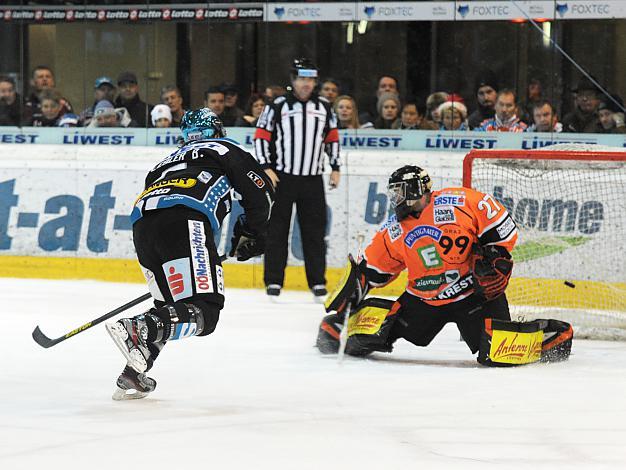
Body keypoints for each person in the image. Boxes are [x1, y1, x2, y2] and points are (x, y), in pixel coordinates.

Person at [317, 166, 572, 365]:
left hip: (473, 296)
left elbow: (502, 230)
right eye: (393, 193)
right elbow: (371, 271)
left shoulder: (461, 202)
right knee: (363, 340)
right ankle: (342, 325)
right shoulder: (394, 230)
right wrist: (351, 294)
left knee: (497, 353)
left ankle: (551, 334)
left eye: (399, 192)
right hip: (423, 301)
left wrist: (494, 258)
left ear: (417, 190)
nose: (395, 199)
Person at [105, 108, 274, 400]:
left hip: (143, 226)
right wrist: (253, 232)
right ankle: (139, 328)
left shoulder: (165, 161)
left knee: (170, 307)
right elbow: (262, 194)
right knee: (205, 312)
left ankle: (135, 369)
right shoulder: (226, 148)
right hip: (186, 220)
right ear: (217, 129)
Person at [254, 58, 340, 300]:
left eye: (311, 79)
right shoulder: (277, 105)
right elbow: (261, 136)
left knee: (314, 232)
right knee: (276, 231)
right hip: (282, 178)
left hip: (312, 179)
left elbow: (332, 138)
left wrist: (335, 167)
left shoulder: (324, 107)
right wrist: (266, 167)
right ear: (293, 80)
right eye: (302, 79)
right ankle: (273, 281)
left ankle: (317, 283)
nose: (306, 84)